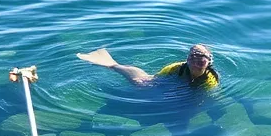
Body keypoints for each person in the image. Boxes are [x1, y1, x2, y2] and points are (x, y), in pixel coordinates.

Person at [77, 43, 220, 90]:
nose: (196, 64)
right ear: (187, 60)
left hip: (182, 86)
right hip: (168, 81)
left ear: (208, 63)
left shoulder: (211, 79)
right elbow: (154, 81)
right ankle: (112, 64)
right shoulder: (176, 68)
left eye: (201, 61)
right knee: (141, 83)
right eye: (192, 59)